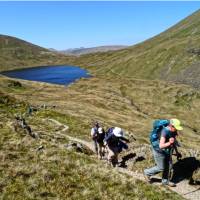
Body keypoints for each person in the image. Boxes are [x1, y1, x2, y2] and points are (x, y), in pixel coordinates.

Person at [144, 119, 183, 187]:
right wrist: (169, 143)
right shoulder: (164, 132)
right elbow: (161, 146)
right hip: (159, 151)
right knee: (161, 167)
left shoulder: (173, 131)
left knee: (168, 166)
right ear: (171, 126)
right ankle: (147, 172)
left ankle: (165, 181)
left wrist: (177, 152)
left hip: (167, 151)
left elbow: (173, 141)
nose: (177, 130)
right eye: (176, 128)